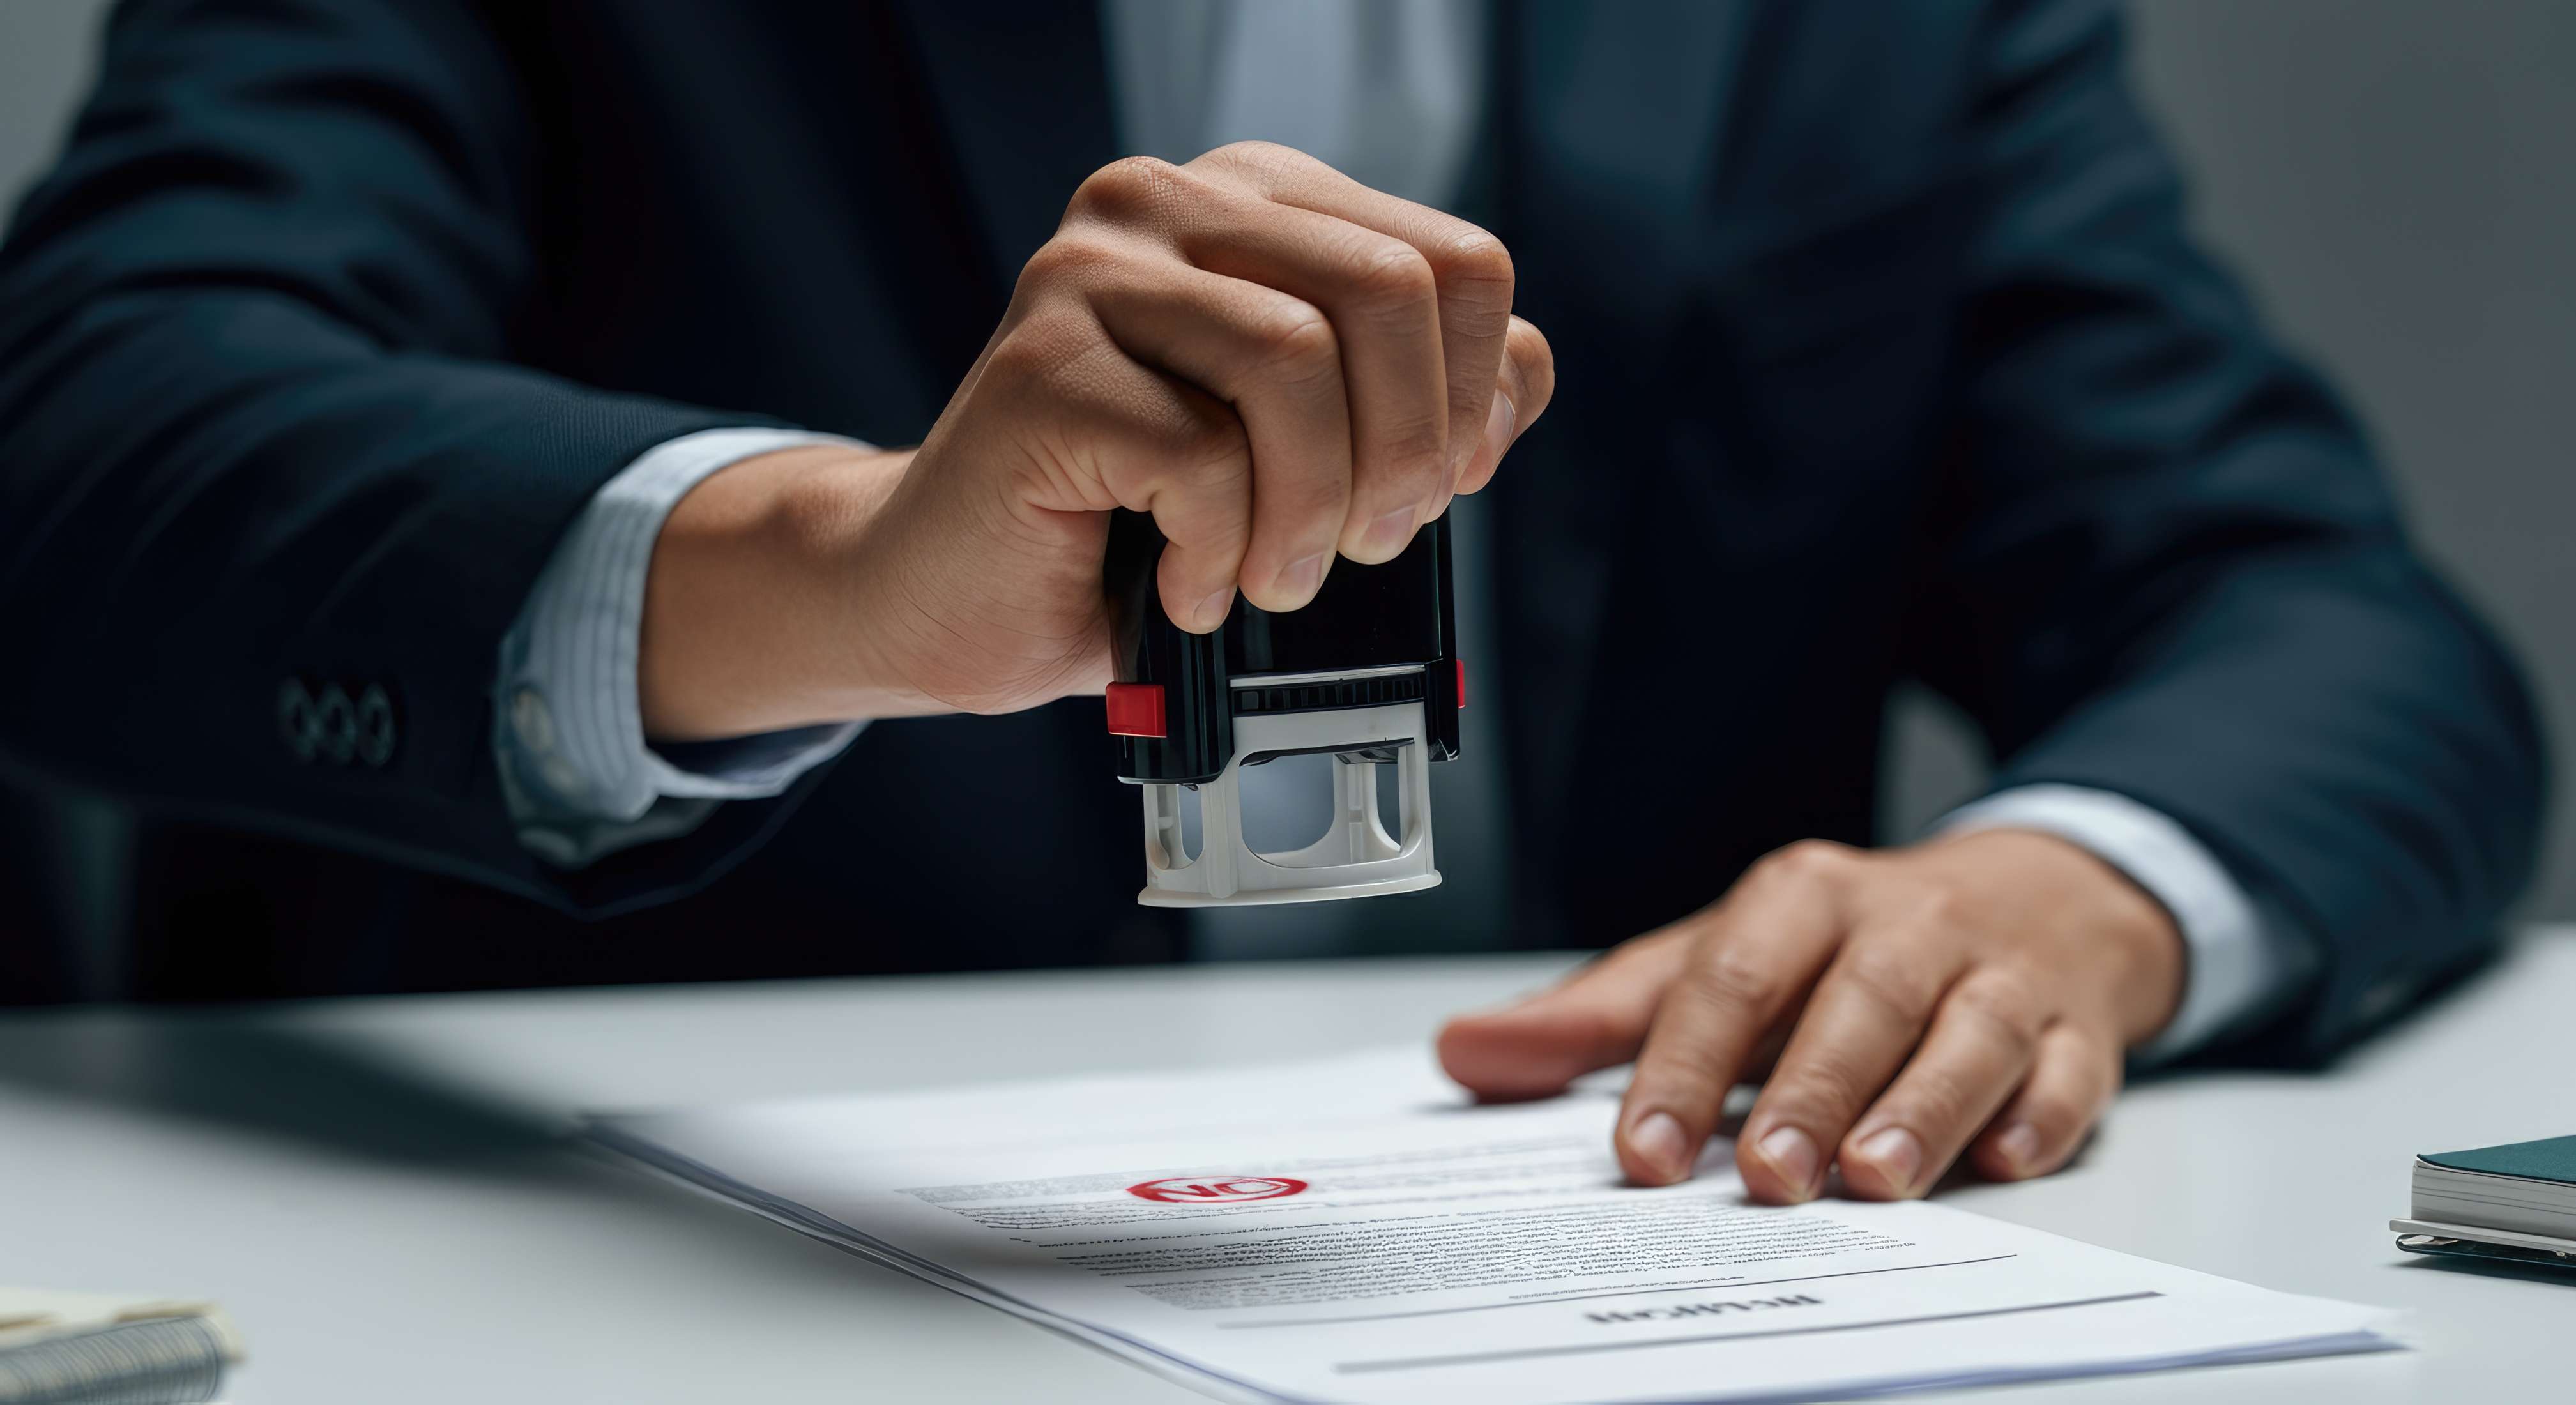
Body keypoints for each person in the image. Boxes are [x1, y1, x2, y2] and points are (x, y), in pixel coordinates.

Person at [0, 0, 2543, 1203]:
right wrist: (831, 569)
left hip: (1621, 1254)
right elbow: (80, 447)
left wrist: (2068, 887)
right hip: (635, 1264)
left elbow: (2315, 609)